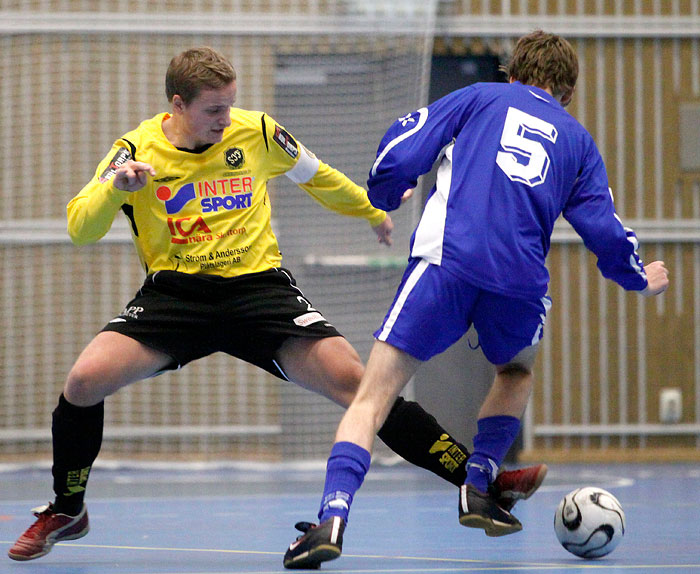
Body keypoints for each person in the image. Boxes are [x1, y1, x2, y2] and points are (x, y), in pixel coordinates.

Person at [8, 46, 547, 562]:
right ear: (177, 106)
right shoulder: (134, 152)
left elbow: (316, 176)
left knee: (362, 386)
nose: (226, 118)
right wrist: (114, 188)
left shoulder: (258, 132)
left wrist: (372, 211)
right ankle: (68, 509)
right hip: (177, 296)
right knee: (82, 383)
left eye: (230, 104)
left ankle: (482, 481)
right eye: (213, 109)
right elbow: (82, 227)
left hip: (259, 290)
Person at [283, 30, 670, 569]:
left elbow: (400, 147)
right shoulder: (578, 141)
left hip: (448, 262)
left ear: (510, 74)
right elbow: (604, 230)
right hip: (519, 280)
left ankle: (333, 516)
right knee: (515, 372)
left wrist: (384, 194)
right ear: (569, 93)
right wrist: (638, 279)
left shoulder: (479, 98)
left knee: (372, 397)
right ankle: (479, 479)